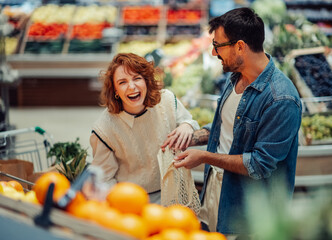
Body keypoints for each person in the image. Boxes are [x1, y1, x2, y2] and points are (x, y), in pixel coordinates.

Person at [161, 7, 302, 237]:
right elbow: (226, 128)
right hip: (216, 192)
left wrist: (204, 156)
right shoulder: (234, 76)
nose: (215, 53)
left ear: (240, 46)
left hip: (248, 213)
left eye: (218, 46)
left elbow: (259, 164)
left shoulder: (281, 99)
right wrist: (191, 135)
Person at [90, 53, 199, 204]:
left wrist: (187, 125)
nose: (132, 86)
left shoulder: (166, 100)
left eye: (137, 78)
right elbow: (104, 178)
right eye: (122, 82)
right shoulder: (104, 129)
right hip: (135, 202)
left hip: (175, 195)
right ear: (115, 90)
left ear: (146, 81)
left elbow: (189, 121)